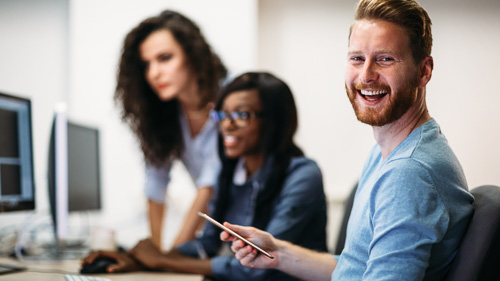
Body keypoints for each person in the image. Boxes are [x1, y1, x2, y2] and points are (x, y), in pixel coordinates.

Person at [220, 0, 475, 280]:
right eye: (357, 58)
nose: (366, 75)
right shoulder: (388, 152)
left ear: (424, 71)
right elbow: (354, 267)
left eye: (385, 59)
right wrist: (277, 252)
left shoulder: (409, 172)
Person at [83, 72, 328, 280]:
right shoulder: (230, 172)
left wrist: (161, 261)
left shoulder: (303, 175)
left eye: (241, 115)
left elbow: (260, 266)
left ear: (274, 121)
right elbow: (206, 246)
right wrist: (138, 260)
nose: (226, 125)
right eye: (222, 114)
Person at [114, 10, 227, 249]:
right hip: (224, 232)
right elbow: (155, 183)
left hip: (266, 229)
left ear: (192, 55)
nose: (154, 73)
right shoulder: (167, 114)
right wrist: (155, 249)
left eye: (164, 58)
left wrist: (169, 256)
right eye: (146, 64)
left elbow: (209, 186)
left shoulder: (232, 98)